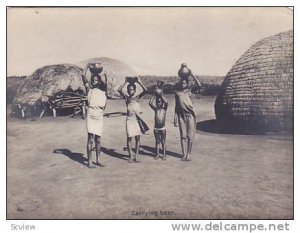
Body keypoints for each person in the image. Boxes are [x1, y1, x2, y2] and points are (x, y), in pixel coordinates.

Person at [81, 63, 107, 168]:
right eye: (93, 80)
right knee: (90, 139)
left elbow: (106, 83)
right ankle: (90, 162)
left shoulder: (103, 91)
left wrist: (105, 76)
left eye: (96, 80)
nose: (94, 81)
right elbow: (83, 76)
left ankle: (98, 160)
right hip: (91, 115)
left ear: (99, 81)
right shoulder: (89, 90)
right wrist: (87, 66)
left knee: (98, 139)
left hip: (99, 115)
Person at [118, 77, 149, 163]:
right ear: (128, 91)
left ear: (135, 90)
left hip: (137, 120)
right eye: (129, 89)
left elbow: (146, 90)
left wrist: (139, 82)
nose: (131, 91)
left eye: (132, 89)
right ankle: (130, 156)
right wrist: (125, 82)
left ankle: (137, 156)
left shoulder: (137, 97)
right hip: (129, 120)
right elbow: (119, 90)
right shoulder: (127, 98)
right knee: (129, 138)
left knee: (137, 138)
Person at [174, 63, 201, 161]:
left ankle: (188, 154)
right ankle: (183, 154)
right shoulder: (177, 93)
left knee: (190, 136)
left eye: (185, 83)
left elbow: (199, 85)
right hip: (181, 116)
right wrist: (175, 119)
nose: (183, 84)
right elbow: (176, 107)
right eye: (182, 83)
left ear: (187, 84)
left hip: (190, 116)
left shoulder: (190, 91)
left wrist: (192, 74)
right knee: (183, 136)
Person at [149, 81, 168, 160]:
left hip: (163, 128)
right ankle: (157, 154)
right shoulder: (156, 109)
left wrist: (161, 95)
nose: (159, 103)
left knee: (163, 142)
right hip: (156, 128)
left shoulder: (164, 109)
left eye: (160, 102)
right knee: (157, 142)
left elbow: (166, 102)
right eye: (158, 102)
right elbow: (150, 103)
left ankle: (164, 155)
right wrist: (154, 95)